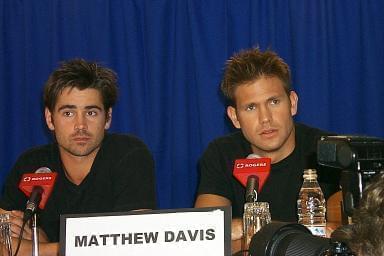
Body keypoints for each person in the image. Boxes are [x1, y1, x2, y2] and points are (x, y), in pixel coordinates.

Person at [0, 59, 157, 255]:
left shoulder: (129, 155)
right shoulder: (31, 164)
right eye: (68, 113)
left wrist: (46, 247)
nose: (80, 125)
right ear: (50, 119)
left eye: (91, 112)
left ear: (108, 118)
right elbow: (5, 245)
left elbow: (135, 244)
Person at [194, 48, 340, 253]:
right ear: (235, 117)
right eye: (251, 108)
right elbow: (206, 234)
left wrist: (245, 230)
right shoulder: (221, 154)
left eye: (274, 102)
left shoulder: (328, 150)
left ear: (292, 103)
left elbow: (340, 234)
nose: (265, 118)